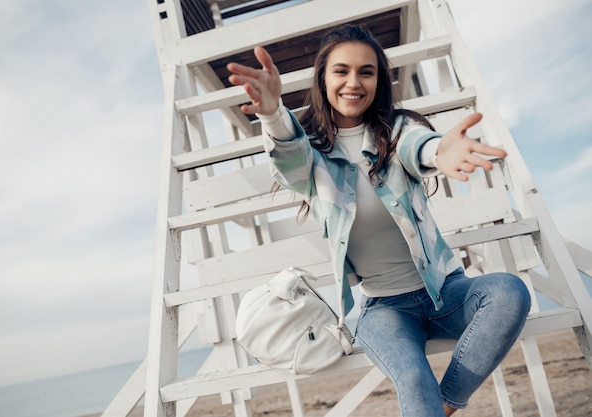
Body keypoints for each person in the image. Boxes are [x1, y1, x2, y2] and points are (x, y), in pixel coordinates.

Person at [227, 24, 531, 417]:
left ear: (378, 80)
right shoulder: (313, 153)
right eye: (341, 71)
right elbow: (291, 160)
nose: (353, 82)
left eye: (366, 72)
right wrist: (272, 115)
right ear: (323, 79)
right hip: (384, 310)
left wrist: (440, 153)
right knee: (413, 379)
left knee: (510, 292)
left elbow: (418, 147)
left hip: (445, 293)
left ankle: (445, 403)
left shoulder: (398, 129)